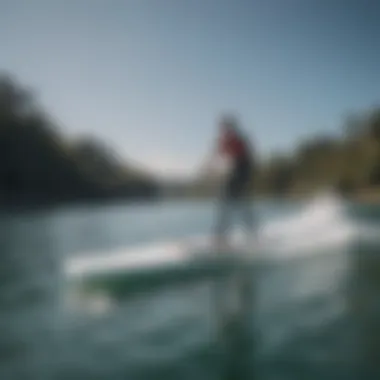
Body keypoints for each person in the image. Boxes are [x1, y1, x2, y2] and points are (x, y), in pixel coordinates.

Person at [201, 115, 256, 249]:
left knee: (227, 203)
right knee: (236, 204)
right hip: (236, 174)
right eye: (223, 127)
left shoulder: (238, 140)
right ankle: (252, 235)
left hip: (242, 172)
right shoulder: (224, 140)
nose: (223, 130)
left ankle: (221, 240)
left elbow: (245, 159)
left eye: (226, 127)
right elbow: (216, 156)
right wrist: (207, 169)